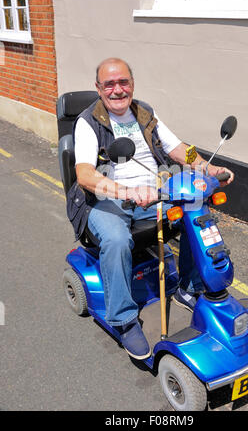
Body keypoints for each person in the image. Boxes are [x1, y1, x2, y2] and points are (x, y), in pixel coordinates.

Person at [71, 57, 234, 360]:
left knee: (194, 211)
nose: (117, 90)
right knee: (117, 240)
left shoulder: (144, 112)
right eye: (109, 84)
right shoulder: (88, 123)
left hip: (154, 195)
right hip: (106, 200)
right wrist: (128, 191)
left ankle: (188, 286)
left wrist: (205, 167)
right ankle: (124, 319)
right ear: (98, 88)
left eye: (123, 82)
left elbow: (178, 148)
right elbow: (85, 176)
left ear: (132, 84)